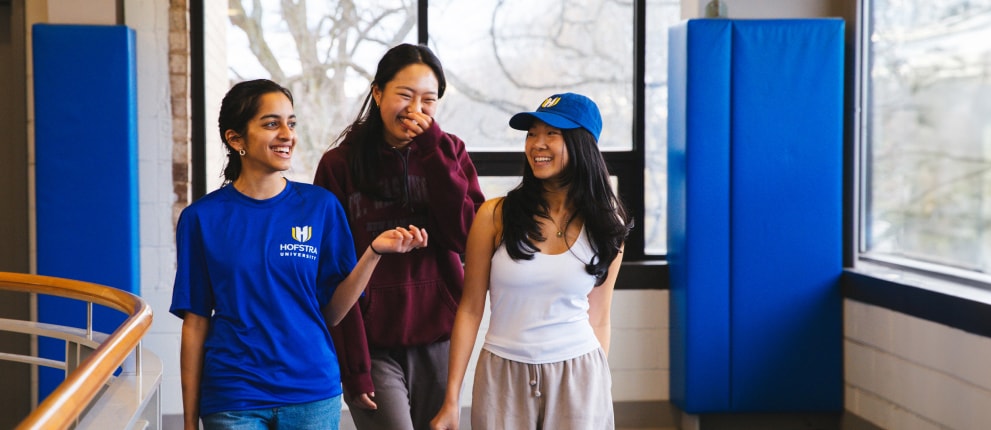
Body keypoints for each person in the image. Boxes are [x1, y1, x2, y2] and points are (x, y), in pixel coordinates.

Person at [170, 79, 427, 430]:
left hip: (311, 393)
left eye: (291, 123)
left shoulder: (320, 207)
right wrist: (188, 422)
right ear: (236, 139)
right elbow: (195, 323)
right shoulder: (201, 219)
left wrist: (373, 254)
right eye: (271, 123)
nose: (286, 134)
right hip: (234, 396)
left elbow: (334, 312)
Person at [431, 92, 633, 429]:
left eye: (552, 134)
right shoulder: (495, 215)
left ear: (582, 144)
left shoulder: (607, 225)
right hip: (503, 371)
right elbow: (469, 310)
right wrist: (452, 398)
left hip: (579, 371)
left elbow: (599, 317)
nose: (537, 144)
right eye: (532, 134)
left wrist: (593, 385)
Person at [313, 43, 484, 429]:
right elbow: (333, 273)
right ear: (377, 93)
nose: (415, 110)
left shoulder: (450, 152)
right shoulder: (339, 165)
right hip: (372, 345)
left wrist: (431, 151)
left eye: (428, 100)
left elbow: (465, 237)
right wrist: (354, 368)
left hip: (438, 336)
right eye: (405, 95)